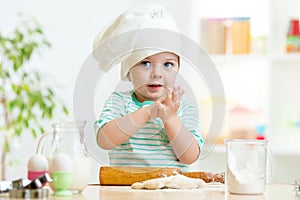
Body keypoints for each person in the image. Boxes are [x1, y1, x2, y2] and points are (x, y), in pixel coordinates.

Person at [93, 4, 203, 171]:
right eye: (145, 63)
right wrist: (146, 113)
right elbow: (104, 140)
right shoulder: (119, 101)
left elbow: (190, 157)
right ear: (129, 72)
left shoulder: (184, 106)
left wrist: (171, 118)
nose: (156, 73)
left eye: (168, 64)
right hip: (125, 191)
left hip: (171, 191)